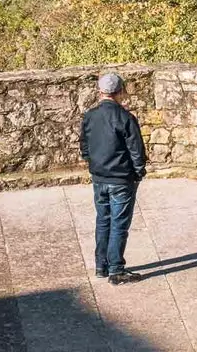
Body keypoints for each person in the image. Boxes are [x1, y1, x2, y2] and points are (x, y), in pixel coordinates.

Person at [80, 72, 147, 285]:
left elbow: (84, 146)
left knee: (103, 220)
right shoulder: (126, 118)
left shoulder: (89, 116)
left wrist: (93, 164)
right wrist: (138, 172)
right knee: (119, 224)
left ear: (100, 92)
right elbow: (136, 150)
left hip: (99, 178)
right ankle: (116, 269)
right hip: (121, 179)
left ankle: (101, 266)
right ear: (120, 92)